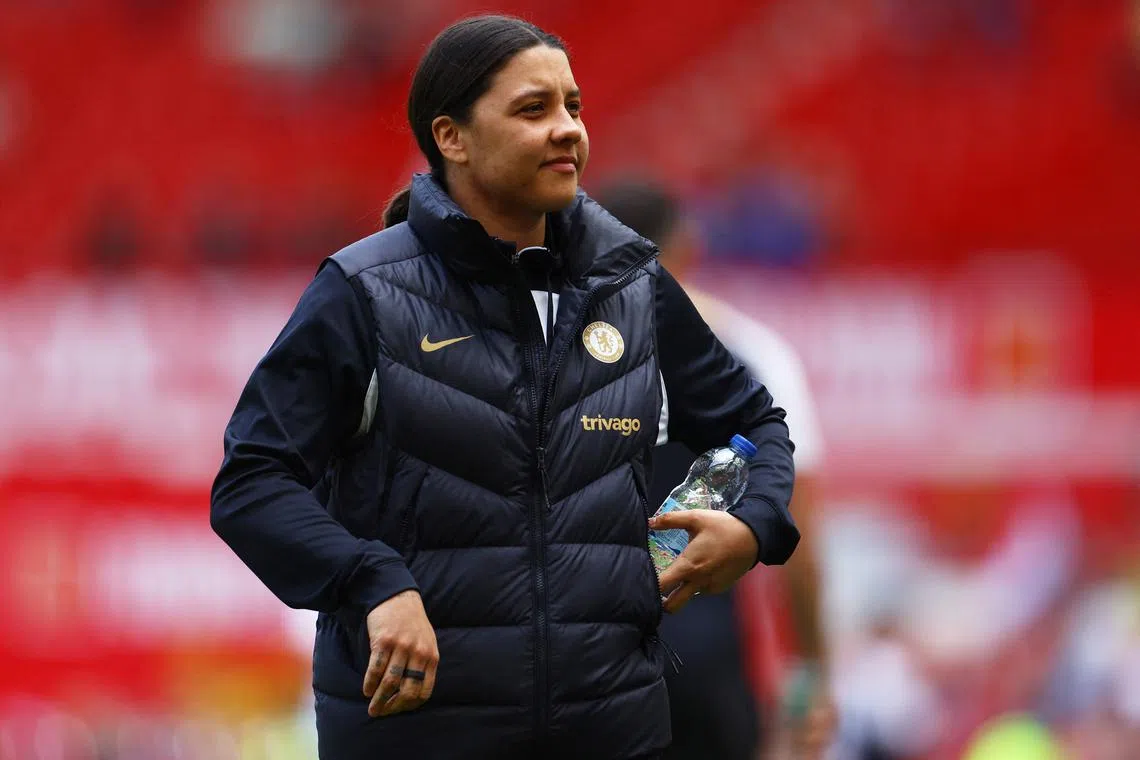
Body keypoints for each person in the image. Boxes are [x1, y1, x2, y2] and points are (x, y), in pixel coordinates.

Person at [210, 15, 799, 760]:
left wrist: (754, 525)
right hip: (419, 736)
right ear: (451, 137)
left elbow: (754, 422)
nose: (567, 130)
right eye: (533, 110)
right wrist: (371, 583)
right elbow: (252, 482)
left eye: (573, 107)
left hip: (614, 732)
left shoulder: (632, 282)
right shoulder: (361, 293)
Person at [593, 179, 833, 760]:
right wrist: (811, 678)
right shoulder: (751, 353)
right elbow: (795, 540)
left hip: (588, 664)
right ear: (687, 247)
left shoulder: (564, 355)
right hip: (707, 661)